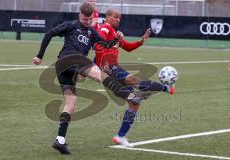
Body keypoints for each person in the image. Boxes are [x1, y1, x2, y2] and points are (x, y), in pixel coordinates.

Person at [33, 2, 147, 155]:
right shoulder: (70, 25)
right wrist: (40, 56)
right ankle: (131, 96)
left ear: (92, 18)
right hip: (68, 61)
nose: (86, 22)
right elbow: (49, 34)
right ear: (80, 15)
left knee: (71, 104)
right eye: (84, 19)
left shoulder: (92, 32)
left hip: (67, 69)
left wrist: (117, 38)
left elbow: (105, 44)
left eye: (89, 19)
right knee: (101, 75)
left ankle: (59, 140)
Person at [94, 9, 176, 147]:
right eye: (115, 17)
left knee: (134, 103)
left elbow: (127, 47)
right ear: (107, 17)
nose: (118, 20)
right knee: (133, 80)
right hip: (108, 68)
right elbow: (98, 42)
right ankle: (165, 88)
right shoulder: (106, 28)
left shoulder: (114, 33)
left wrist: (141, 41)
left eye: (119, 18)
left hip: (113, 67)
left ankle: (121, 136)